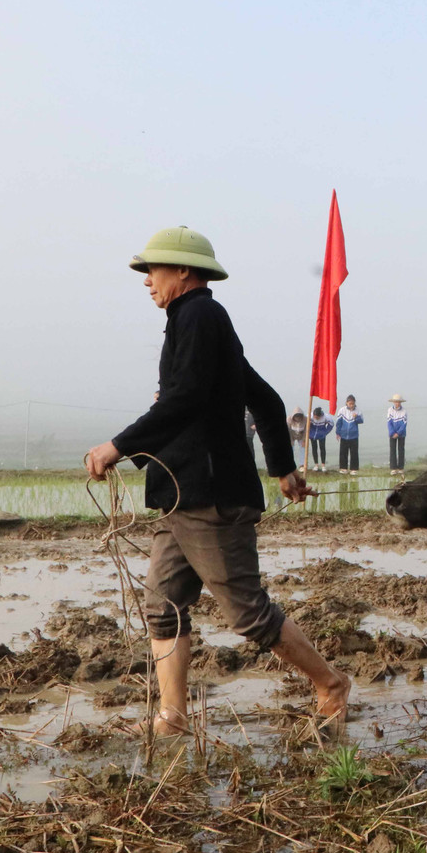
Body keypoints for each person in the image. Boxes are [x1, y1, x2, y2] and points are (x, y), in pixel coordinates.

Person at [84, 225, 349, 735]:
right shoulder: (194, 321)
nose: (146, 281)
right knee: (163, 607)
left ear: (183, 271)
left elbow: (183, 399)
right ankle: (173, 716)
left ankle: (331, 683)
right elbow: (265, 400)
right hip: (180, 494)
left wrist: (118, 447)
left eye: (152, 270)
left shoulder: (200, 315)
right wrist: (283, 469)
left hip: (209, 495)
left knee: (249, 614)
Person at [334, 394, 364, 474]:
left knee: (354, 452)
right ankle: (343, 468)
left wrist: (356, 417)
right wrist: (338, 433)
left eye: (353, 403)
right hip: (344, 435)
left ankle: (354, 469)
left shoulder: (358, 411)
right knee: (343, 452)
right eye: (350, 403)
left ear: (354, 403)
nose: (351, 405)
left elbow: (361, 421)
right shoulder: (342, 410)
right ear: (346, 403)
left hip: (354, 435)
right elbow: (339, 422)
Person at [308, 406, 333, 472]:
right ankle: (316, 465)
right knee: (314, 448)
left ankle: (323, 465)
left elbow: (331, 424)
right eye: (315, 416)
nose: (316, 418)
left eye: (317, 417)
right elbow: (305, 424)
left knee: (322, 448)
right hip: (312, 434)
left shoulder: (326, 417)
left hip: (321, 434)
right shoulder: (309, 415)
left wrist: (325, 432)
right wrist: (309, 432)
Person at [387, 394, 408, 473]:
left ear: (400, 402)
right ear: (393, 402)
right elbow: (389, 422)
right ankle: (393, 468)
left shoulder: (404, 411)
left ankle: (401, 467)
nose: (397, 403)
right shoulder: (390, 410)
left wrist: (398, 433)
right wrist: (392, 432)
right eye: (395, 402)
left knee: (401, 450)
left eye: (398, 402)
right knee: (392, 450)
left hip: (401, 434)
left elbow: (404, 424)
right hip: (392, 433)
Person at [287, 407, 307, 471]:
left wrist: (304, 440)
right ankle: (291, 465)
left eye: (299, 416)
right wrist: (290, 440)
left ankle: (302, 465)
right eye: (296, 416)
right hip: (292, 435)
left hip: (301, 436)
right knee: (291, 449)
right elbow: (288, 431)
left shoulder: (305, 419)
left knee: (303, 448)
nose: (298, 418)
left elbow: (306, 431)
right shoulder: (289, 419)